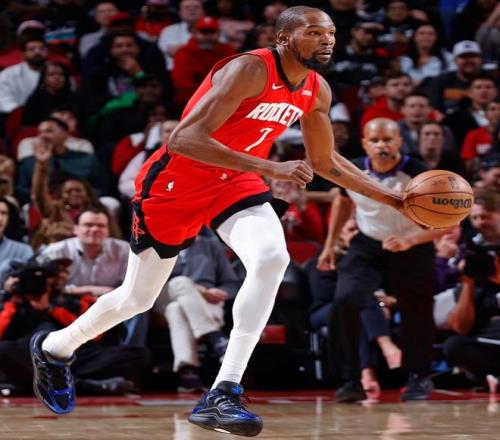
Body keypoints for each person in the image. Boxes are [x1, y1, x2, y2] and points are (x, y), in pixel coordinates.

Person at [31, 7, 408, 437]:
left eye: (332, 32)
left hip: (235, 181)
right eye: (315, 32)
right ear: (284, 37)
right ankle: (54, 348)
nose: (328, 40)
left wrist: (394, 199)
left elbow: (325, 161)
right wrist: (271, 167)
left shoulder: (316, 89)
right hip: (177, 182)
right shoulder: (250, 69)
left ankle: (223, 391)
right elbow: (184, 138)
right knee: (137, 299)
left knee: (271, 258)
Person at [317, 118, 445, 403]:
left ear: (399, 141)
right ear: (365, 144)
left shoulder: (421, 175)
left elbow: (448, 223)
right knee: (345, 299)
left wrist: (410, 239)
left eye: (387, 139)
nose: (381, 145)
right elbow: (343, 201)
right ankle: (351, 380)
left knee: (417, 308)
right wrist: (330, 244)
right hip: (368, 243)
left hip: (412, 245)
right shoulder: (352, 170)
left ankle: (419, 377)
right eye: (374, 140)